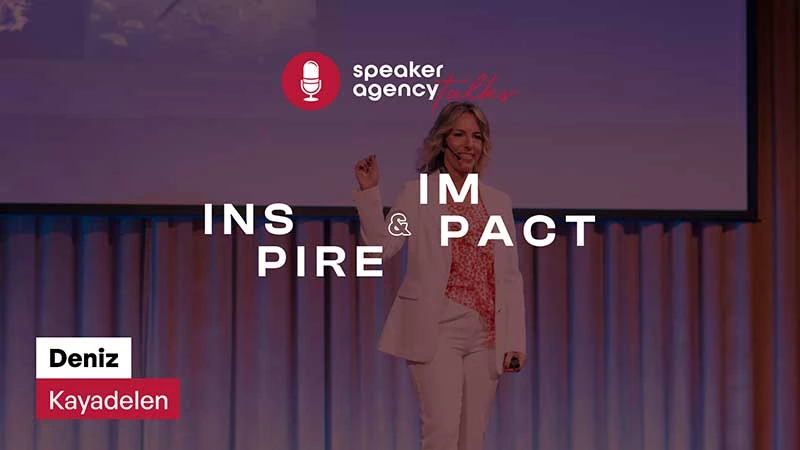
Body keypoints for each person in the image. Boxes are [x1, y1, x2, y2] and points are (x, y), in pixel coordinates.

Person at [352, 101, 527, 450]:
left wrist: (515, 341)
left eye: (476, 136)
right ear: (442, 141)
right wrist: (370, 193)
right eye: (459, 135)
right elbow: (382, 245)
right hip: (438, 329)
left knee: (471, 439)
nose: (469, 144)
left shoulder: (498, 202)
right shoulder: (417, 194)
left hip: (487, 334)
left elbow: (510, 275)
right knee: (442, 434)